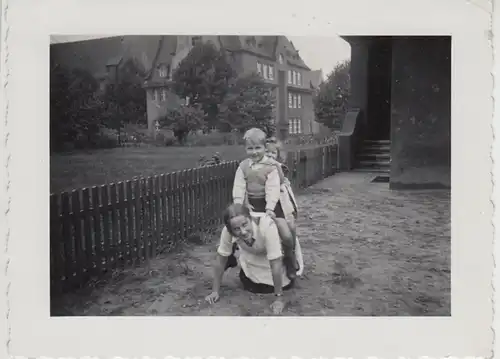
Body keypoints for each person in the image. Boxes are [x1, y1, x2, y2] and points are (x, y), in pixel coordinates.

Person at [230, 128, 297, 279]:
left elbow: (272, 189)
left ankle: (289, 257)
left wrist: (270, 208)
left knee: (285, 233)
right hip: (250, 204)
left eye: (258, 148)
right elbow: (239, 187)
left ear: (264, 148)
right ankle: (230, 255)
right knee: (235, 228)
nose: (254, 152)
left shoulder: (271, 167)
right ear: (245, 149)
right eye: (250, 148)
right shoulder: (243, 167)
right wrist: (239, 204)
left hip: (271, 205)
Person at [205, 203, 295, 315]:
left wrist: (279, 299)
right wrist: (215, 291)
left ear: (250, 218)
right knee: (251, 285)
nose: (243, 231)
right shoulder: (227, 231)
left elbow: (275, 263)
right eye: (236, 229)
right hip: (252, 259)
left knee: (280, 285)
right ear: (230, 229)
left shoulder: (267, 226)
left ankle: (291, 261)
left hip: (275, 256)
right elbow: (221, 259)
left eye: (245, 224)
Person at [265, 137, 299, 271]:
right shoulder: (257, 167)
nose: (269, 155)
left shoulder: (280, 167)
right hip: (265, 203)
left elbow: (280, 180)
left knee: (290, 227)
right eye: (267, 152)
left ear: (278, 156)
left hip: (280, 204)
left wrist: (276, 166)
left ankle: (291, 255)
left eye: (273, 153)